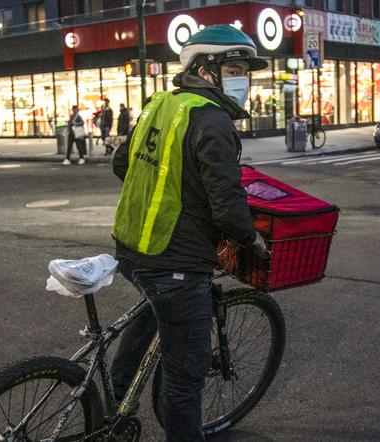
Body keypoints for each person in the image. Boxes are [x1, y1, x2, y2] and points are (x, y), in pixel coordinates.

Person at [109, 24, 270, 441]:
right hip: (177, 263)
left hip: (131, 248)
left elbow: (123, 166)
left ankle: (110, 412)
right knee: (186, 380)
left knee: (150, 319)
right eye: (234, 68)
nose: (243, 80)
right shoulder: (212, 120)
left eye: (245, 71)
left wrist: (173, 194)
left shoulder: (158, 104)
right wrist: (252, 239)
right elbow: (228, 207)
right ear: (204, 69)